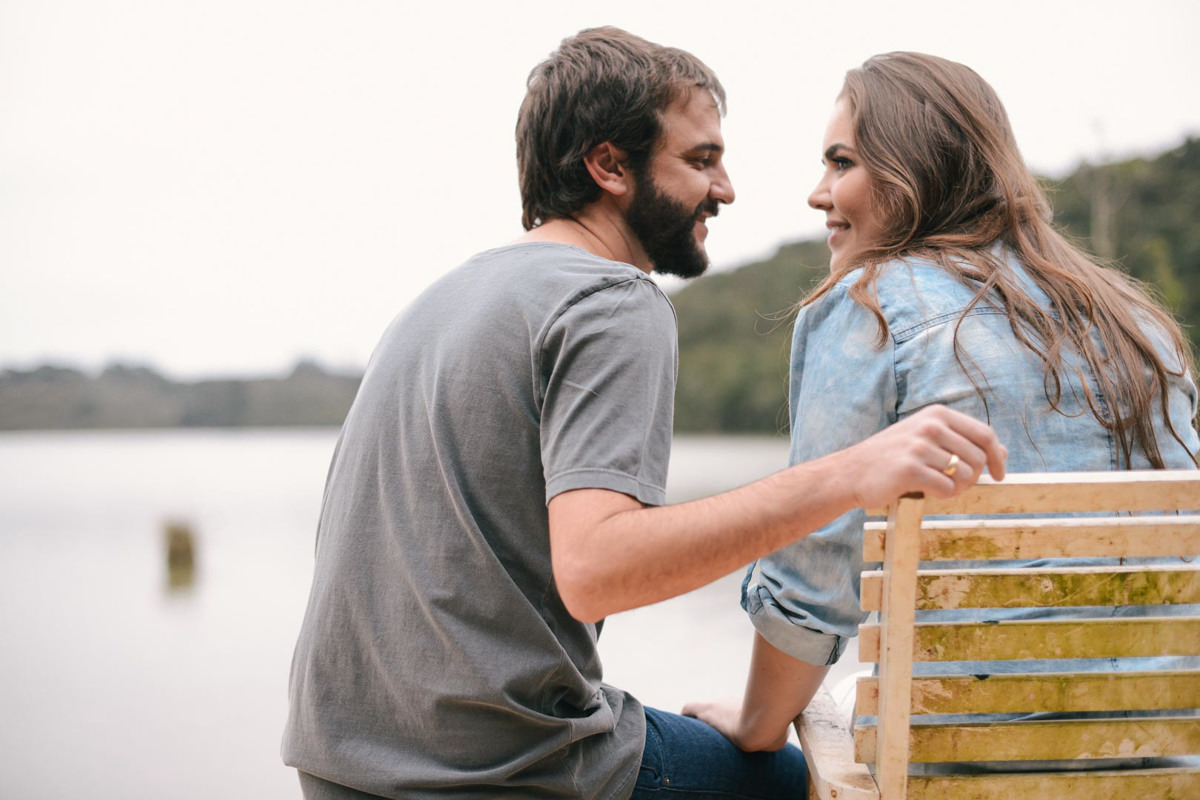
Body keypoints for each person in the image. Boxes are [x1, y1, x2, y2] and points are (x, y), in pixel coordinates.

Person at [281, 33, 1006, 799]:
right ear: (610, 167)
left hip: (338, 769)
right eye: (700, 160)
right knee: (808, 785)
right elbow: (597, 569)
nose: (725, 189)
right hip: (501, 777)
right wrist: (851, 474)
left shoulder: (438, 303)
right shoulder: (611, 301)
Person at [683, 51, 1200, 755]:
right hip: (1155, 750)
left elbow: (815, 583)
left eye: (841, 163)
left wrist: (756, 725)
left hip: (954, 758)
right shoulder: (1139, 328)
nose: (817, 193)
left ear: (910, 172)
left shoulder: (869, 307)